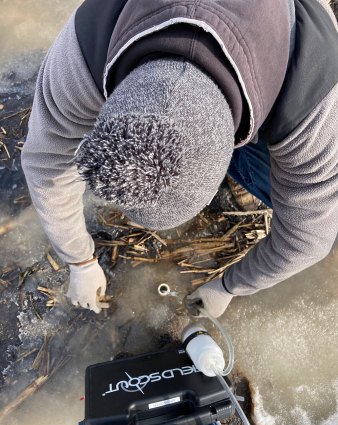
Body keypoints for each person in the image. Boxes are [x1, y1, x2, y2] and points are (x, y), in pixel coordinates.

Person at [22, 0, 338, 318]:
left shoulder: (312, 97)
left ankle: (245, 173)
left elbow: (309, 238)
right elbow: (44, 159)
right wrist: (79, 260)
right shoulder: (84, 53)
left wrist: (230, 286)